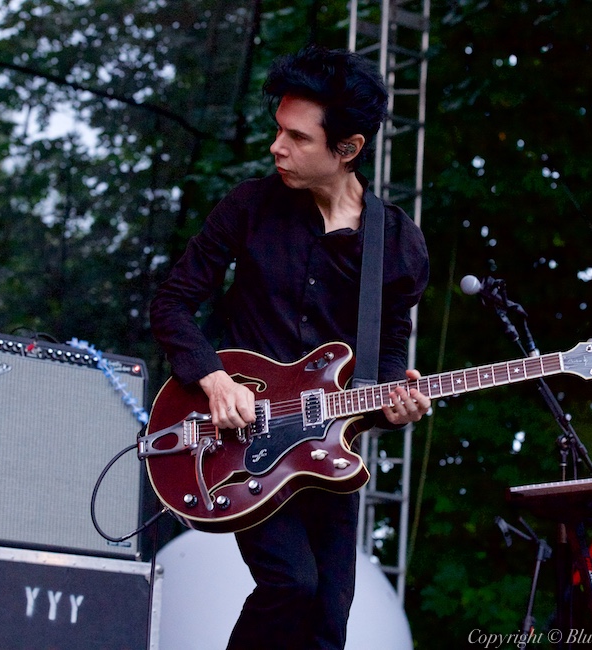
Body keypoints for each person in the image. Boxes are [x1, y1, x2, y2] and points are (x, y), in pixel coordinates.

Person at [149, 44, 430, 650]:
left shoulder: (397, 243)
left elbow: (383, 365)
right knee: (291, 585)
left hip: (325, 451)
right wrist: (212, 378)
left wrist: (394, 405)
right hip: (237, 441)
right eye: (279, 130)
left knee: (331, 619)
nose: (278, 146)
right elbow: (171, 302)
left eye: (298, 138)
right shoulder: (249, 206)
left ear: (348, 149)